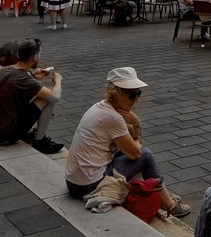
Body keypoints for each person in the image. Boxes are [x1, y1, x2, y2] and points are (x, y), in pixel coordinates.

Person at [64, 66, 191, 215]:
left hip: (73, 182)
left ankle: (158, 194)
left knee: (126, 152)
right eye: (132, 95)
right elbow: (135, 153)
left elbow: (126, 139)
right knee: (146, 155)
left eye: (138, 93)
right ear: (115, 93)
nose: (136, 99)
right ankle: (169, 205)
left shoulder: (100, 108)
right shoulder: (113, 118)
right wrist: (136, 123)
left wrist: (133, 127)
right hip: (88, 184)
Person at [0, 40, 64, 152]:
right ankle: (39, 141)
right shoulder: (23, 79)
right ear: (35, 57)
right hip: (6, 134)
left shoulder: (5, 69)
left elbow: (18, 85)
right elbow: (55, 97)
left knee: (39, 95)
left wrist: (33, 76)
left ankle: (31, 135)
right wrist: (58, 81)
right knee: (47, 97)